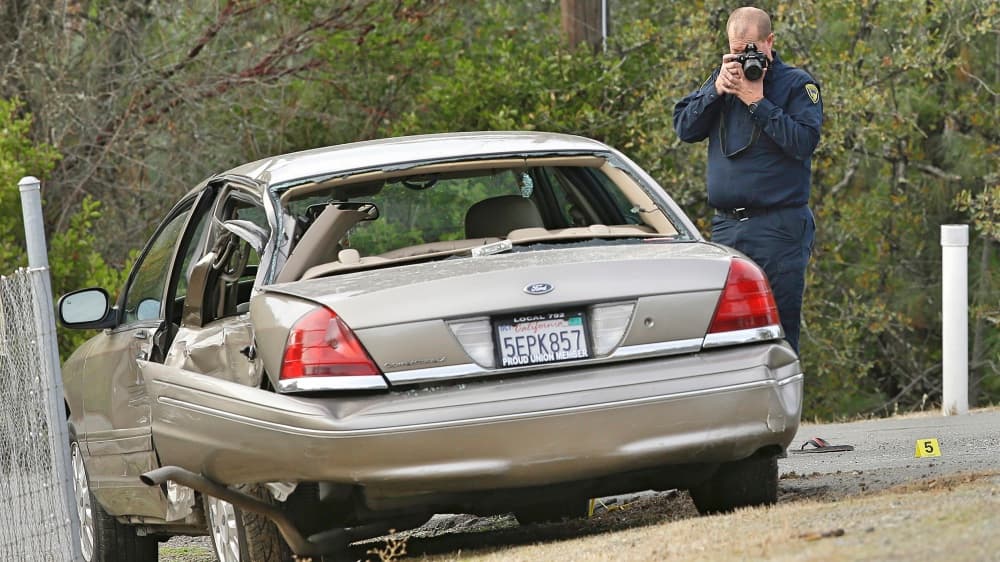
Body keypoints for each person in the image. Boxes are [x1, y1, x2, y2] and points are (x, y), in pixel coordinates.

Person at [673, 6, 823, 354]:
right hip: (728, 228)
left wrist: (758, 102)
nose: (746, 58)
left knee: (780, 333)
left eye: (753, 49)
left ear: (770, 42)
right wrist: (715, 91)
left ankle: (783, 407)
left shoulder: (797, 85)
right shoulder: (725, 79)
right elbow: (684, 127)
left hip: (779, 228)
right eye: (738, 51)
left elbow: (804, 142)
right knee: (730, 333)